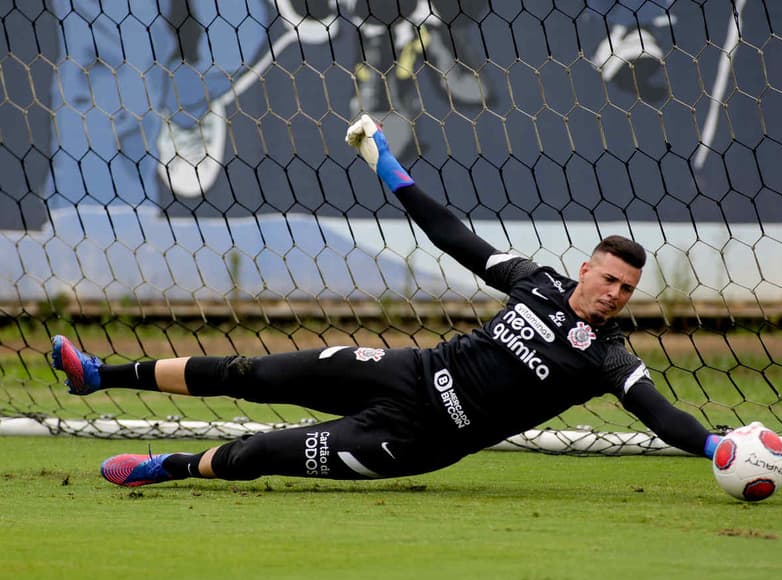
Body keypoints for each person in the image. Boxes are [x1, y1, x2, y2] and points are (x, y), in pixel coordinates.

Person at [51, 114, 722, 488]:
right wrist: (383, 163)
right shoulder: (536, 280)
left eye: (627, 289)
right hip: (405, 370)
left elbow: (662, 415)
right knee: (250, 373)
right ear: (585, 269)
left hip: (414, 438)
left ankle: (166, 468)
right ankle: (98, 376)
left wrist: (716, 448)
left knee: (260, 452)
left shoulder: (608, 358)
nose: (615, 294)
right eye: (609, 279)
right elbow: (450, 234)